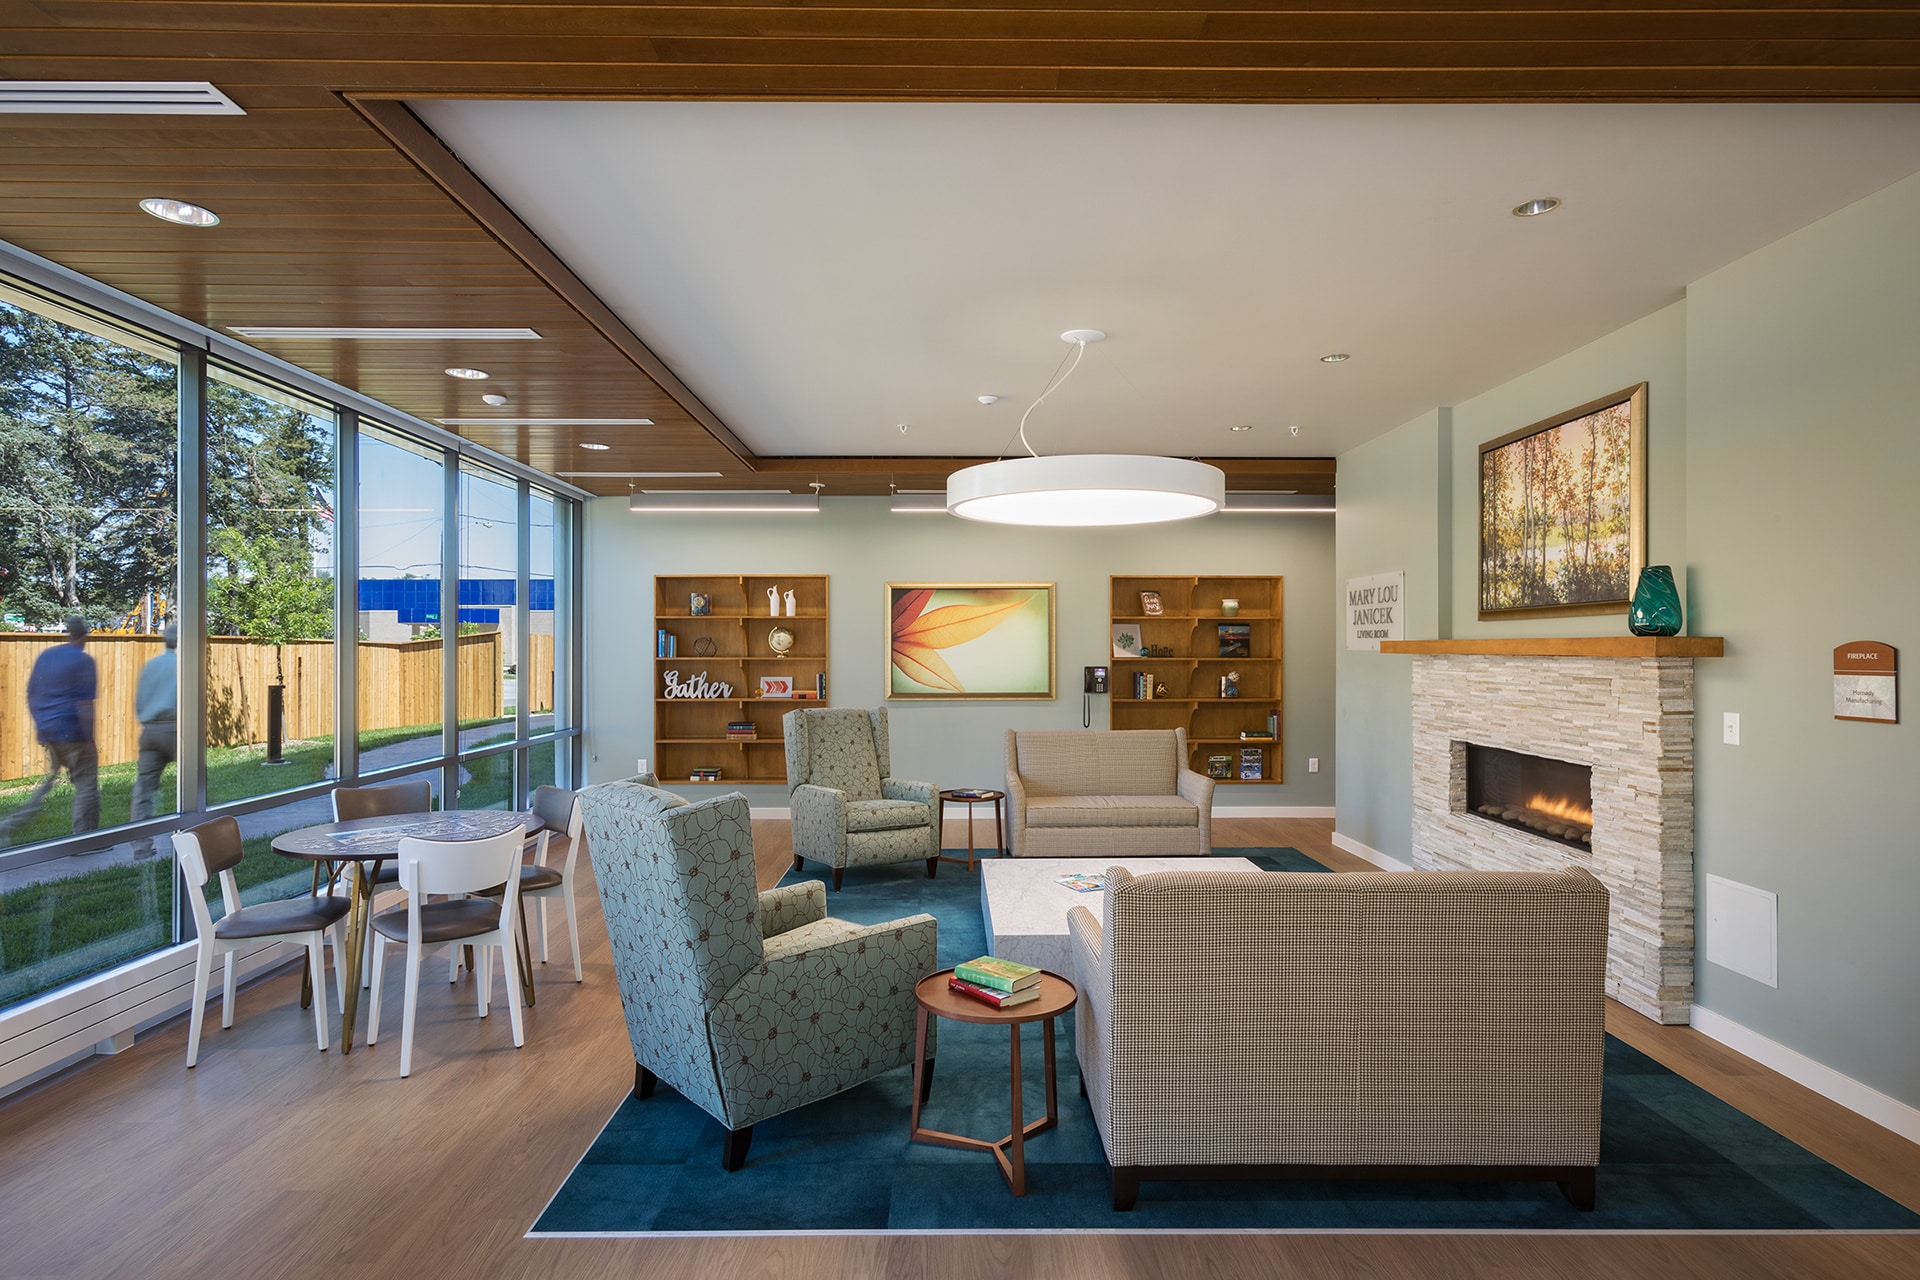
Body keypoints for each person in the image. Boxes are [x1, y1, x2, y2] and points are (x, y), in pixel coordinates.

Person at [0, 616, 99, 841]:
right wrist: (88, 740)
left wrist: (41, 727)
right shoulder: (83, 660)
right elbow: (84, 704)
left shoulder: (47, 656)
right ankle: (85, 840)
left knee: (48, 782)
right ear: (83, 636)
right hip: (73, 732)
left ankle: (9, 824)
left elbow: (31, 694)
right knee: (86, 784)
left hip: (50, 732)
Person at [129, 624, 179, 858]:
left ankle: (141, 846)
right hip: (175, 728)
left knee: (144, 789)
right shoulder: (183, 665)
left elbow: (139, 699)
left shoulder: (151, 665)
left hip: (149, 730)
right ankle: (197, 838)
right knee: (196, 783)